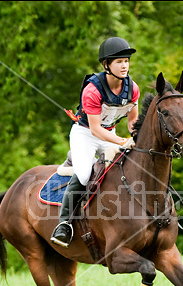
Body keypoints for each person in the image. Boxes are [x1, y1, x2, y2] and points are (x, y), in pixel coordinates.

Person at [51, 37, 140, 248]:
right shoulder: (92, 90)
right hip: (85, 135)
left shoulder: (132, 88)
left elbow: (133, 121)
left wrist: (136, 137)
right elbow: (95, 129)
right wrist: (122, 141)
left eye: (126, 60)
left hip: (110, 133)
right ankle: (63, 224)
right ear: (106, 65)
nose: (125, 65)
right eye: (119, 61)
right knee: (84, 175)